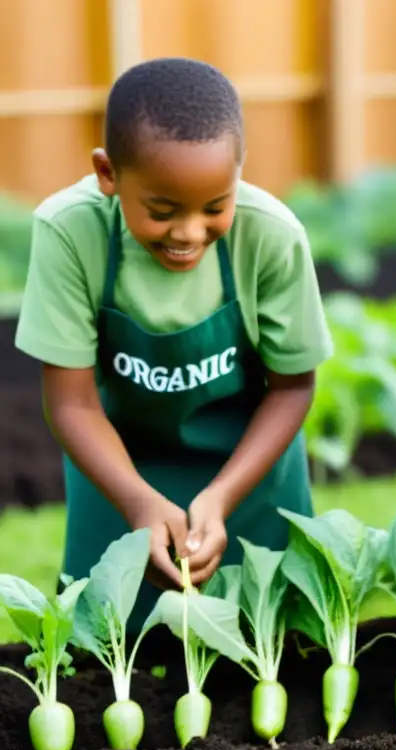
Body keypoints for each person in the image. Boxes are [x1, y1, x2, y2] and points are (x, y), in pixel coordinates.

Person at [14, 57, 333, 633]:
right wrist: (138, 502)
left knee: (275, 653)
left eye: (216, 207)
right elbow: (72, 403)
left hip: (249, 473)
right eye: (162, 211)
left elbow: (293, 388)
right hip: (118, 471)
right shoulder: (70, 231)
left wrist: (220, 499)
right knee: (108, 658)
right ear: (108, 174)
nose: (189, 233)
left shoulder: (272, 235)